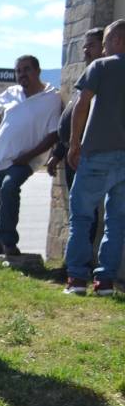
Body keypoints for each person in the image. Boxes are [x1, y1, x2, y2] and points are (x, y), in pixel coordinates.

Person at [0, 55, 62, 263]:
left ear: (37, 71)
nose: (21, 74)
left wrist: (27, 156)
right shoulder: (12, 93)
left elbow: (53, 134)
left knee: (9, 188)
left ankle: (9, 242)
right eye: (18, 71)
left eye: (26, 69)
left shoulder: (51, 98)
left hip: (27, 160)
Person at [65, 20, 125, 296]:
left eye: (106, 43)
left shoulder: (100, 66)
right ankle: (105, 282)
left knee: (81, 217)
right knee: (117, 222)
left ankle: (77, 280)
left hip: (98, 153)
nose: (102, 48)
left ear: (117, 41)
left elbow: (82, 103)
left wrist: (74, 143)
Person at [48, 27, 104, 281]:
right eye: (84, 45)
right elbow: (72, 120)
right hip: (72, 154)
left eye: (90, 44)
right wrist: (59, 151)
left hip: (89, 155)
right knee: (78, 212)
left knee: (86, 213)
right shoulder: (87, 75)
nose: (85, 50)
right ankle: (75, 264)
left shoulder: (107, 78)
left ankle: (80, 268)